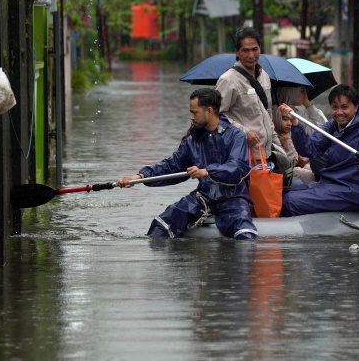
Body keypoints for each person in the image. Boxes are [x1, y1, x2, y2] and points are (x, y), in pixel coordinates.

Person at [115, 88, 258, 240]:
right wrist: (140, 176)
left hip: (233, 198)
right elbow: (172, 165)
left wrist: (207, 171)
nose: (191, 117)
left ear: (209, 111)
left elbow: (237, 168)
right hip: (204, 197)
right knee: (160, 226)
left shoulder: (236, 136)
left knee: (245, 235)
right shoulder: (191, 140)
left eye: (195, 113)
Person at [277, 84, 359, 217]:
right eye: (334, 107)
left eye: (344, 107)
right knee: (282, 194)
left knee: (289, 201)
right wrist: (295, 123)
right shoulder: (332, 126)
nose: (339, 113)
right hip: (329, 184)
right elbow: (309, 148)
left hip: (352, 192)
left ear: (356, 107)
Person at [215, 27, 282, 162]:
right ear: (237, 52)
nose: (251, 55)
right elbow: (216, 117)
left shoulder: (264, 76)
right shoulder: (228, 79)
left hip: (267, 152)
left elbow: (267, 114)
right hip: (243, 154)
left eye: (254, 49)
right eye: (245, 50)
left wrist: (279, 147)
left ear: (260, 49)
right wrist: (245, 132)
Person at [271, 86, 326, 184]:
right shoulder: (275, 114)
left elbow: (323, 130)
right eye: (301, 91)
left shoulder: (296, 112)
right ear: (289, 92)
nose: (305, 94)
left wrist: (308, 104)